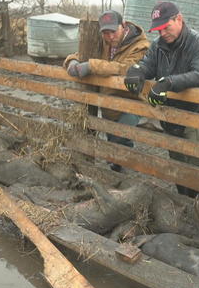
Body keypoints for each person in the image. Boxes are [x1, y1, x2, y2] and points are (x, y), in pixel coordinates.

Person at [124, 1, 199, 198]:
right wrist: (137, 72)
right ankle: (183, 201)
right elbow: (148, 65)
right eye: (159, 29)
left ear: (179, 19)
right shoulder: (158, 45)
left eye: (166, 27)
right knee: (177, 163)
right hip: (170, 113)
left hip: (195, 113)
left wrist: (169, 82)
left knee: (195, 165)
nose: (163, 33)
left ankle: (194, 203)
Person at [63, 10, 150, 172]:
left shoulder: (141, 46)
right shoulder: (104, 42)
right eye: (105, 33)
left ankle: (121, 173)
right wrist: (72, 61)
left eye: (113, 32)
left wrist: (91, 66)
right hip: (108, 102)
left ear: (123, 26)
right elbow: (85, 52)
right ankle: (115, 168)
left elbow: (127, 69)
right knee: (112, 140)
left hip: (131, 102)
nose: (110, 37)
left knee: (121, 138)